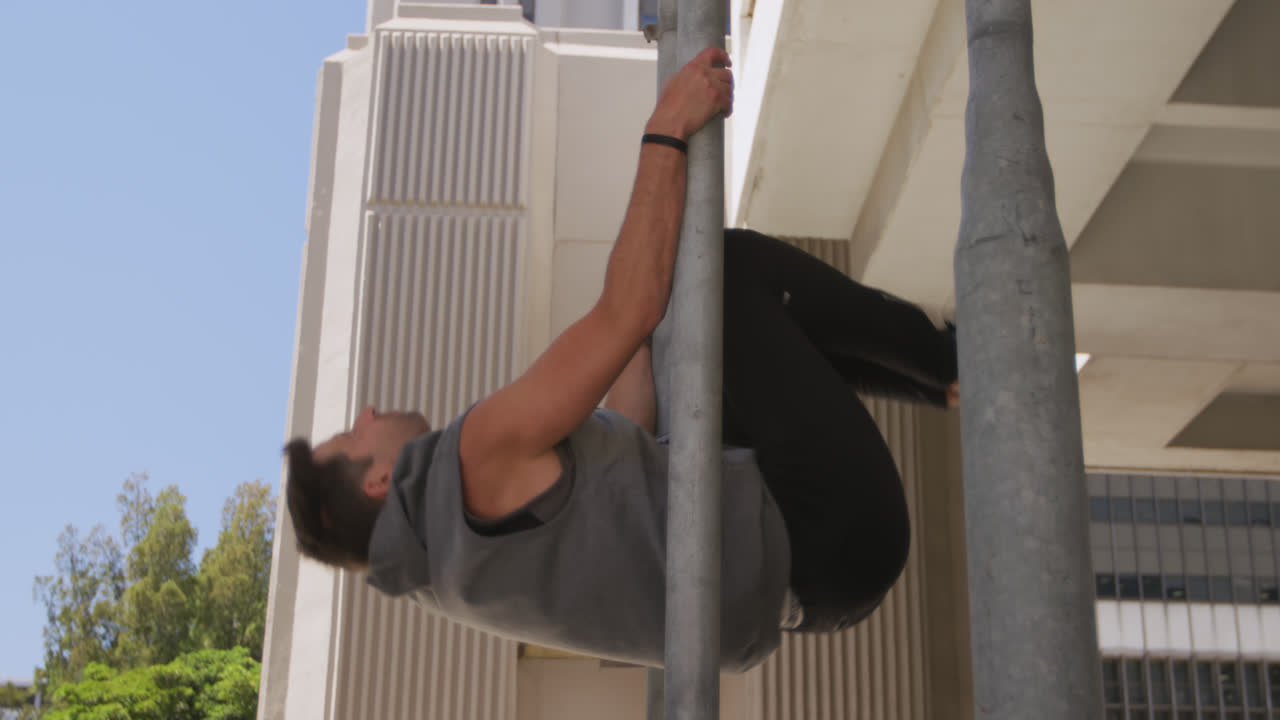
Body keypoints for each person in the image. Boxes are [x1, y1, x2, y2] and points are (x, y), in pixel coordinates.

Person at [283, 47, 957, 672]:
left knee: (692, 341)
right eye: (353, 432)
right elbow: (625, 309)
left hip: (820, 590)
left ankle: (947, 385)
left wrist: (646, 306)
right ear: (378, 480)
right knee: (714, 273)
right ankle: (951, 361)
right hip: (826, 521)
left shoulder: (452, 575)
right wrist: (665, 127)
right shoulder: (472, 461)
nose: (367, 412)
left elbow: (625, 429)